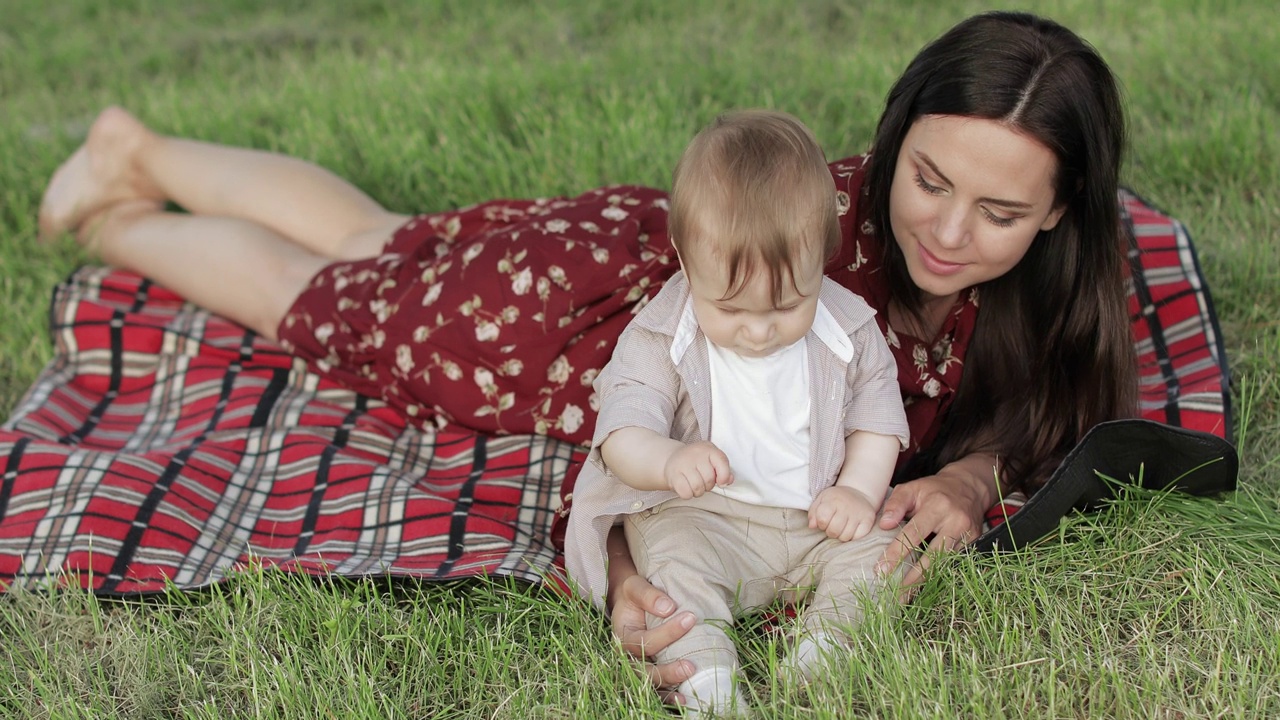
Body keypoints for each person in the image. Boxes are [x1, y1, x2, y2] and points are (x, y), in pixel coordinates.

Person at [37, 10, 1136, 705]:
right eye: (927, 180)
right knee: (330, 296)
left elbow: (1037, 412)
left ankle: (138, 149)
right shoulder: (820, 265)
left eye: (996, 210)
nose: (945, 232)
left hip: (615, 261)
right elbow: (652, 453)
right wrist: (619, 572)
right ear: (894, 141)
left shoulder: (1051, 297)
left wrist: (969, 470)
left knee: (387, 238)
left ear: (1059, 215)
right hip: (557, 325)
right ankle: (114, 214)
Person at [563, 109, 912, 713]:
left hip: (814, 521)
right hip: (707, 520)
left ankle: (827, 642)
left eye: (787, 305)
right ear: (682, 256)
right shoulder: (660, 336)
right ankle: (708, 683)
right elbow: (622, 430)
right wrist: (670, 460)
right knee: (673, 568)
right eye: (729, 308)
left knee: (881, 551)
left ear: (823, 256)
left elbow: (877, 419)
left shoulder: (849, 328)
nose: (757, 331)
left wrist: (856, 490)